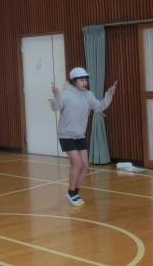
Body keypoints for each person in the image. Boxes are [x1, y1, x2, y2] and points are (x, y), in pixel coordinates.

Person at [50, 67, 117, 206]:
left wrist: (109, 94)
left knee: (85, 167)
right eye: (81, 80)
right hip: (66, 135)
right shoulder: (65, 94)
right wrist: (56, 95)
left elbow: (100, 106)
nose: (85, 82)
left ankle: (75, 192)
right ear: (74, 81)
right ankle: (71, 192)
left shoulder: (88, 95)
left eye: (86, 79)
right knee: (77, 163)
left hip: (79, 135)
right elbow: (55, 107)